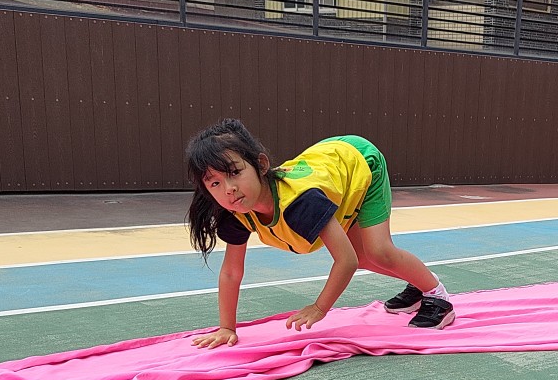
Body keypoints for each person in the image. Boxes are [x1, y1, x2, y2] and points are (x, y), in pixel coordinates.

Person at [185, 119, 454, 347]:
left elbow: (345, 261)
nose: (228, 189)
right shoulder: (236, 214)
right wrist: (227, 328)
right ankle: (419, 283)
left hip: (359, 161)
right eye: (215, 183)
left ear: (261, 165)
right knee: (364, 257)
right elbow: (231, 272)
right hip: (331, 166)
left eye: (235, 172)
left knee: (378, 252)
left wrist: (319, 308)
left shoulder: (301, 202)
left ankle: (438, 298)